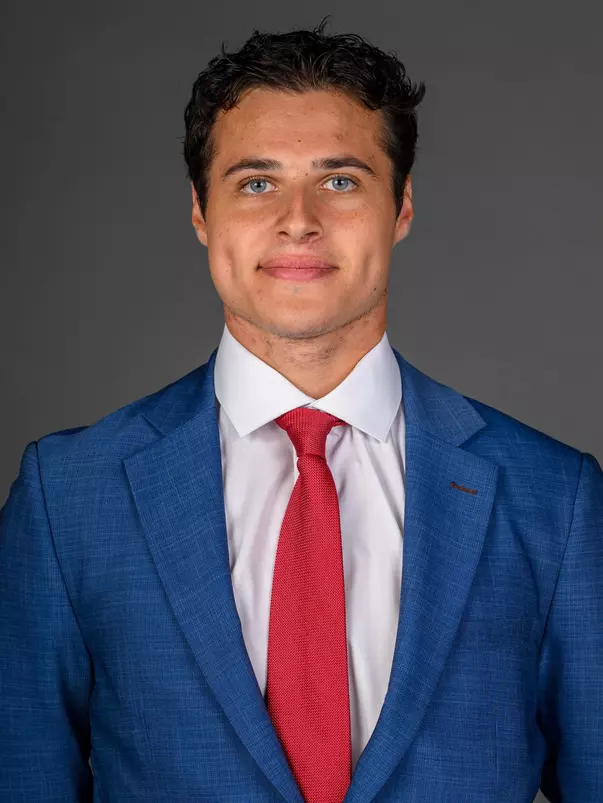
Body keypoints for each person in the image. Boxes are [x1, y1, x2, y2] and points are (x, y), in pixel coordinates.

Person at [0, 18, 601, 803]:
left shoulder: (555, 497)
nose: (298, 218)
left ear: (403, 207)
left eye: (341, 180)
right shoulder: (66, 496)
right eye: (255, 182)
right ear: (198, 212)